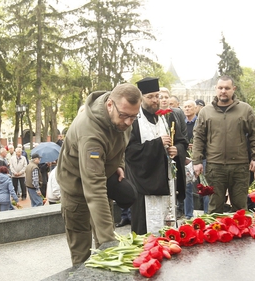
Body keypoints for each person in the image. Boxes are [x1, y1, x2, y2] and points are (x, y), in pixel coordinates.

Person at [57, 83, 140, 265]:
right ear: (110, 105)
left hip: (101, 178)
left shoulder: (122, 116)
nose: (128, 122)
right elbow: (94, 188)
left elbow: (120, 144)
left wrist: (118, 164)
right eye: (124, 116)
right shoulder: (90, 134)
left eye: (133, 117)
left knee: (104, 225)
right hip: (76, 187)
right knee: (83, 253)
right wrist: (110, 243)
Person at [125, 77, 188, 235]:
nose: (155, 100)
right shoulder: (134, 120)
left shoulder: (167, 117)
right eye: (150, 97)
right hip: (144, 184)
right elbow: (130, 151)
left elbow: (182, 141)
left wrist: (176, 150)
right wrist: (157, 144)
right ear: (141, 98)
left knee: (168, 225)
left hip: (167, 181)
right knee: (146, 230)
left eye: (157, 96)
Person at [192, 75, 255, 213]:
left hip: (240, 167)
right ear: (215, 89)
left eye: (227, 88)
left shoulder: (245, 109)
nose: (223, 91)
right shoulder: (206, 112)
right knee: (214, 208)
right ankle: (215, 234)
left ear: (233, 89)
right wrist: (197, 160)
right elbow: (198, 137)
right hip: (215, 167)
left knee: (240, 208)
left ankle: (241, 234)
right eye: (220, 88)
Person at [182, 100, 199, 220]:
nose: (187, 109)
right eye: (185, 107)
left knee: (204, 187)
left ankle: (207, 214)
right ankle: (188, 215)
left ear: (195, 108)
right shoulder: (181, 123)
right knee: (187, 186)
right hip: (186, 158)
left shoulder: (199, 122)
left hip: (199, 157)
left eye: (190, 107)